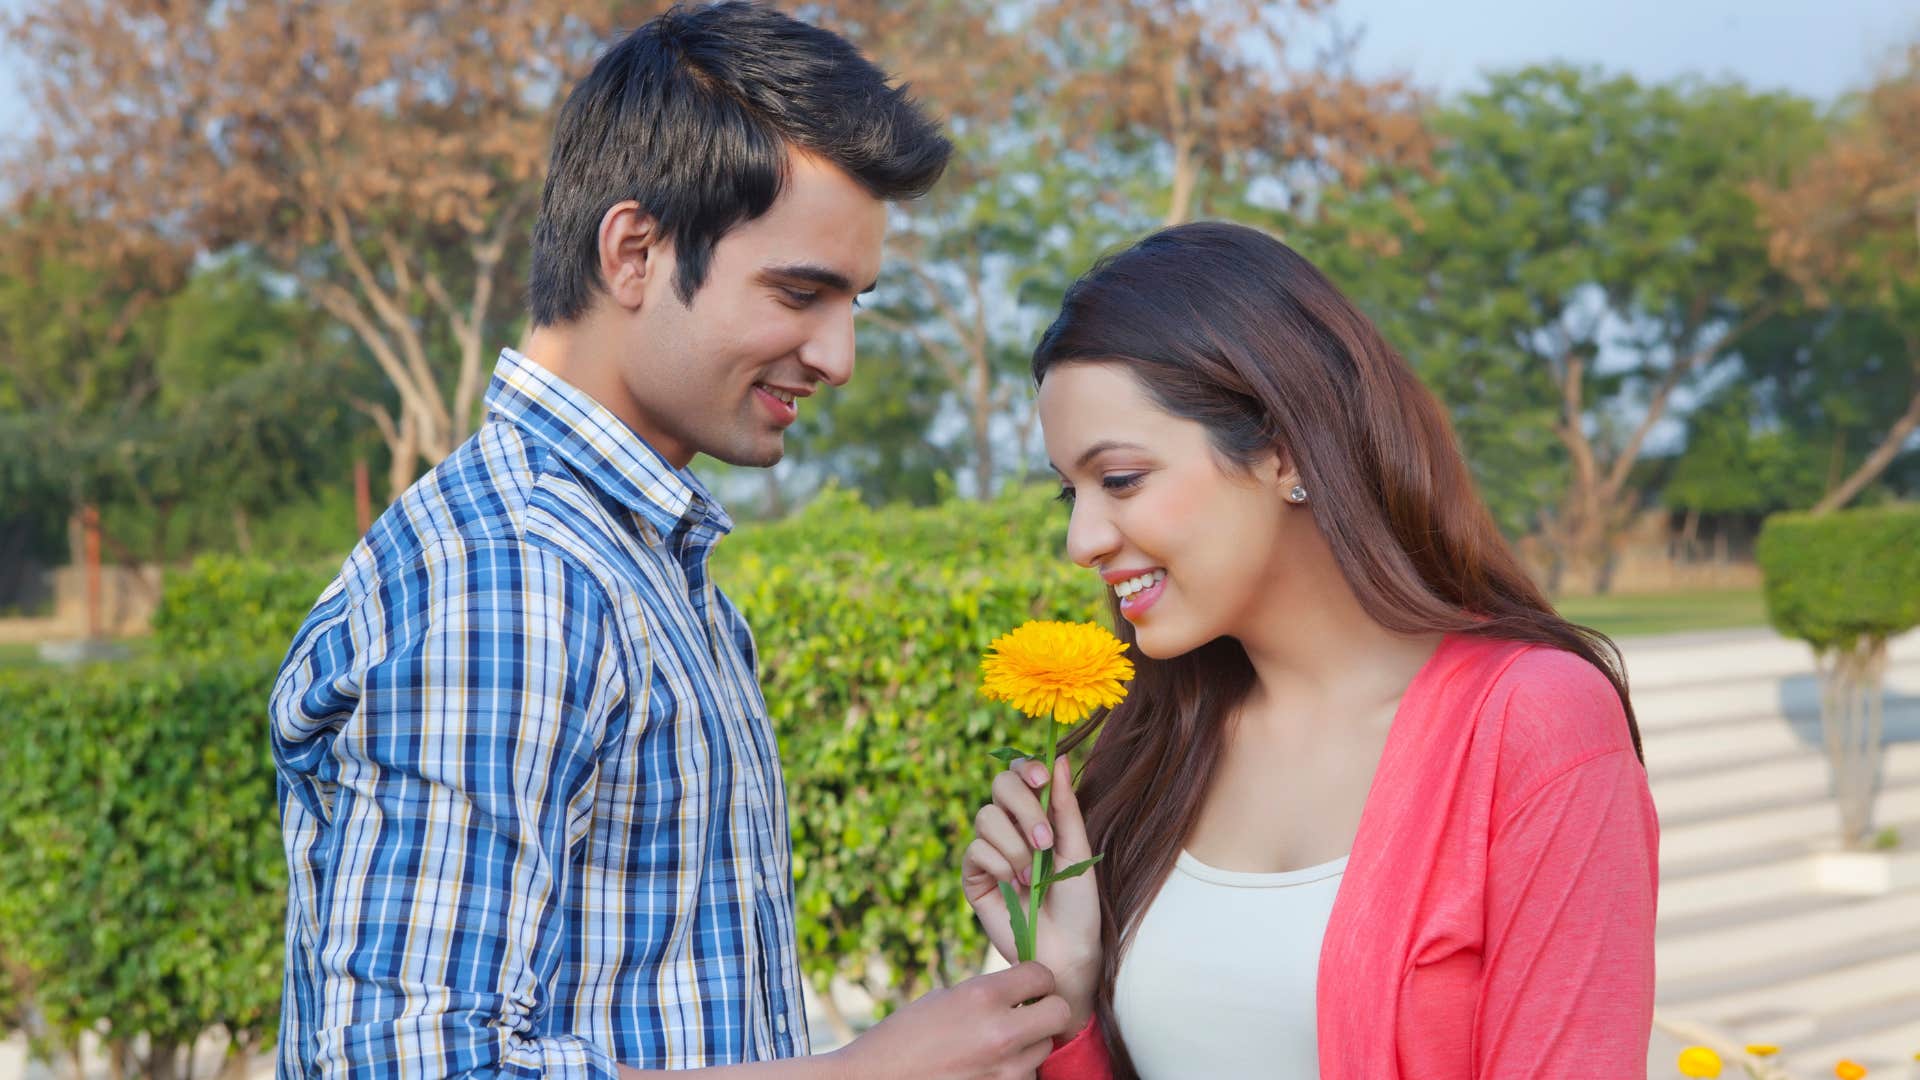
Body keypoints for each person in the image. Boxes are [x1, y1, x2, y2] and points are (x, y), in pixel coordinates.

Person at [269, 4, 1072, 1076]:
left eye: (854, 304)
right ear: (635, 251)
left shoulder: (635, 563)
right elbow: (411, 1063)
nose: (837, 357)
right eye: (800, 292)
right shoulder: (516, 577)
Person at [961, 222, 1659, 1079]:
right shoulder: (1154, 747)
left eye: (1120, 480)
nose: (1083, 541)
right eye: (1070, 494)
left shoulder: (1535, 723)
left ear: (1284, 451)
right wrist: (1067, 997)